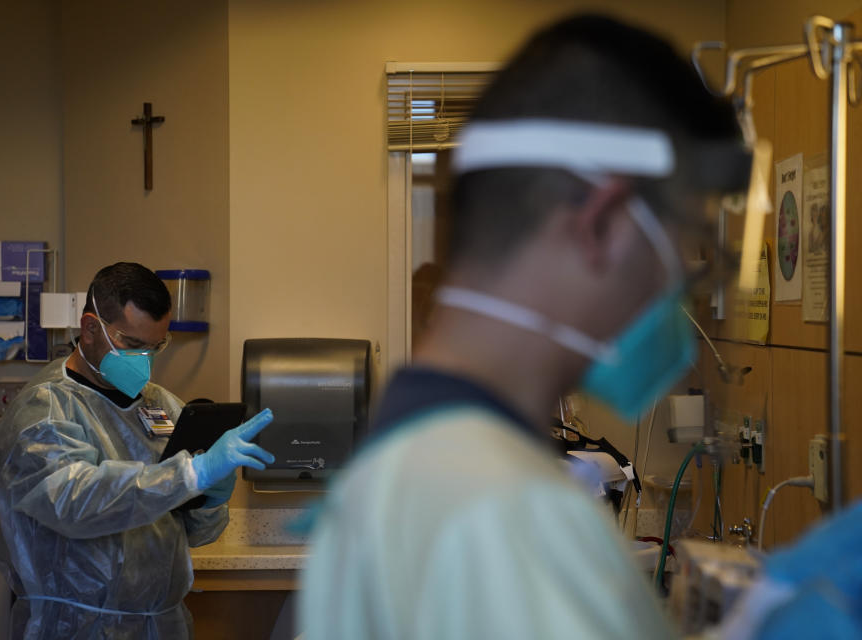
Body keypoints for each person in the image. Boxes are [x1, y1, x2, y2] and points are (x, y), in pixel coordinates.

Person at [299, 15, 862, 639]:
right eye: (685, 247)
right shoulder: (504, 514)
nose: (683, 287)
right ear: (604, 225)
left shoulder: (410, 464)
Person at [0, 262, 275, 639]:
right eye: (132, 344)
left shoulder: (162, 406)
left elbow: (186, 533)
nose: (145, 360)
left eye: (156, 346)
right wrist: (191, 474)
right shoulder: (43, 410)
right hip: (75, 627)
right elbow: (77, 502)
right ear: (90, 328)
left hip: (162, 624)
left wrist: (206, 498)